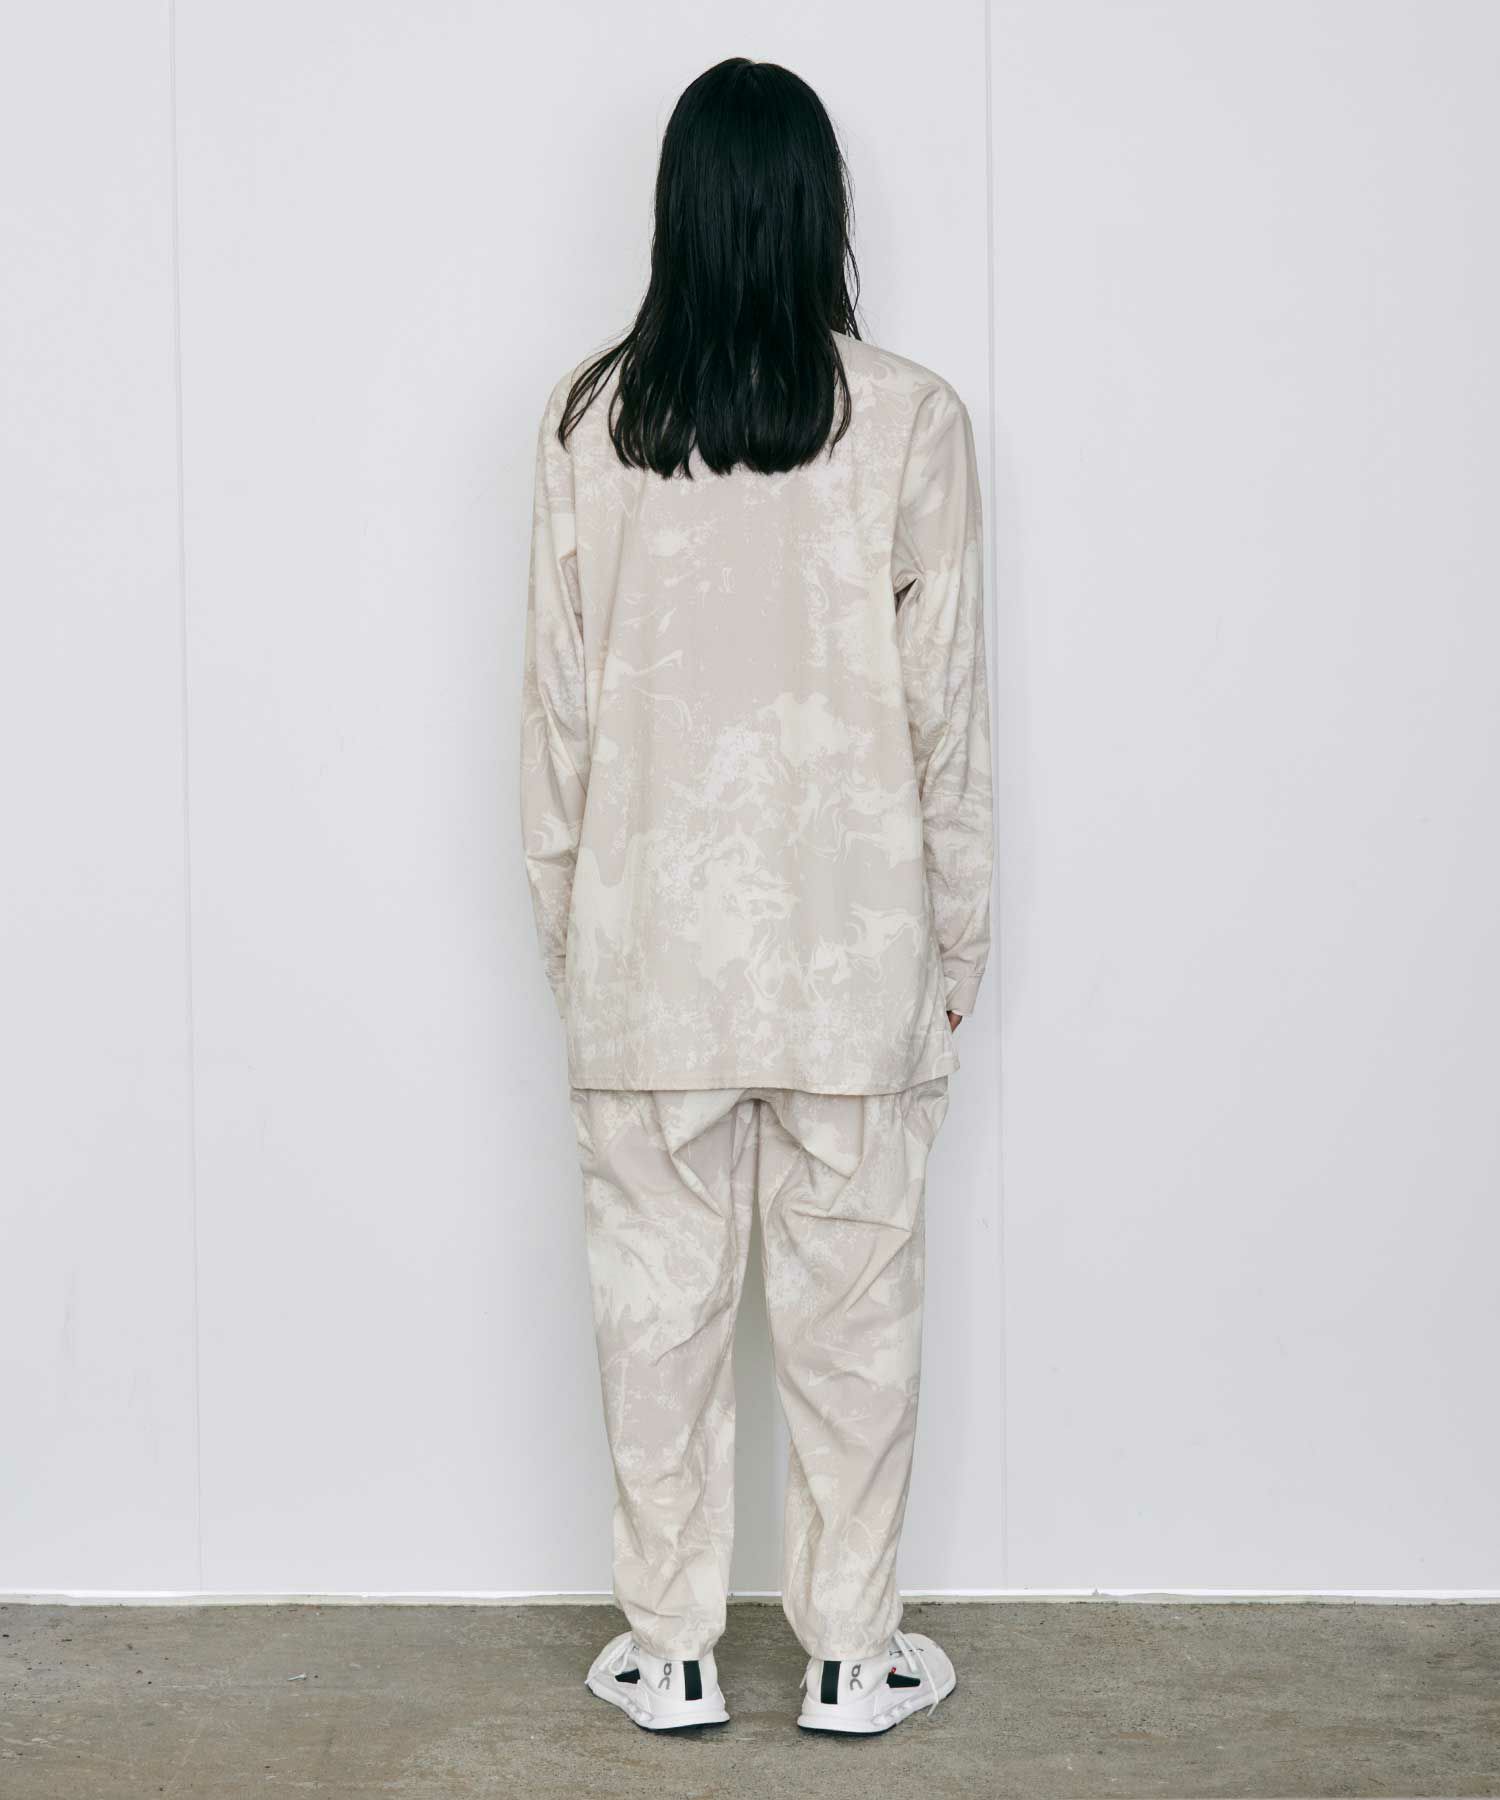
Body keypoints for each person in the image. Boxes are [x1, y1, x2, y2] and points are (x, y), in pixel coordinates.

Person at [519, 56, 992, 1737]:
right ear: (817, 213)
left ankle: (671, 1648)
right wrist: (957, 942)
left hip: (650, 955)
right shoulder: (913, 422)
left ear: (679, 213)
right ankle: (854, 1655)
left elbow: (556, 730)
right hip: (850, 956)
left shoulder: (591, 427)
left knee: (655, 1317)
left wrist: (575, 940)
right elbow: (948, 720)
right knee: (858, 1321)